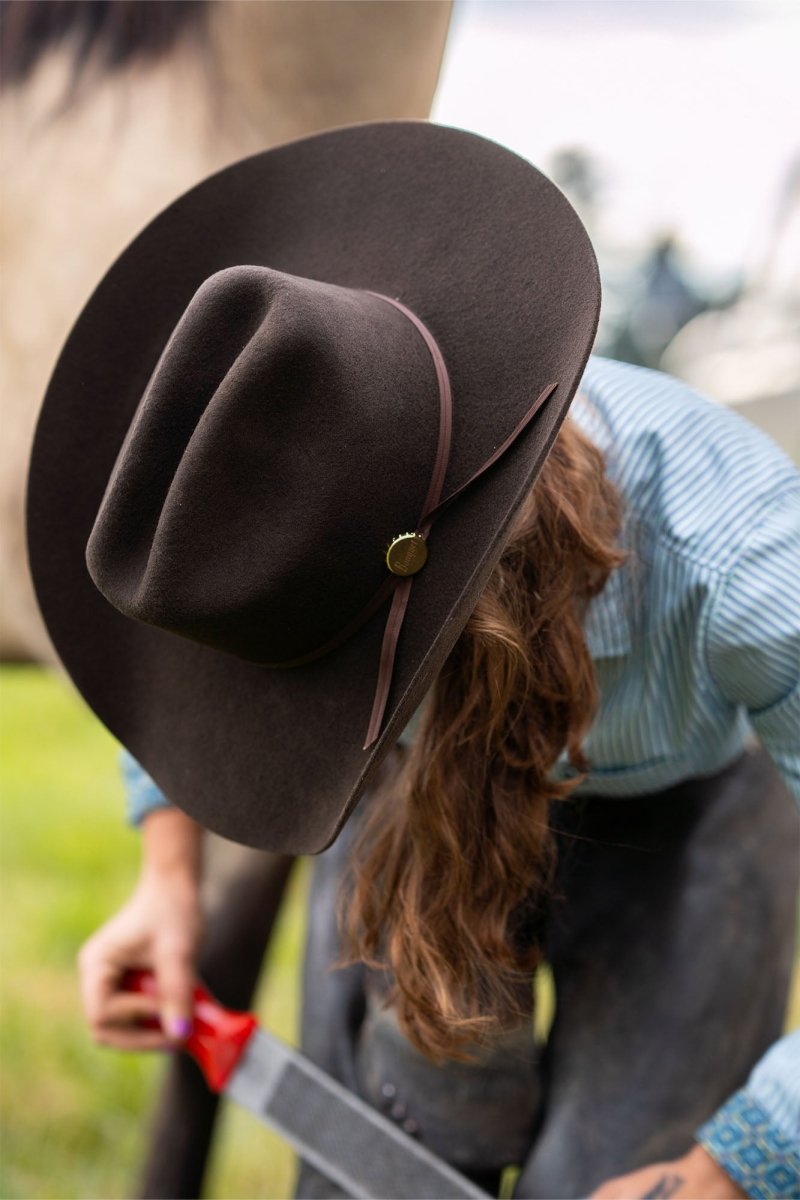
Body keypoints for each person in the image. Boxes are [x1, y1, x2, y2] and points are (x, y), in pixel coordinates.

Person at [28, 123, 798, 1199]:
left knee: (626, 1164)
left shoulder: (746, 558)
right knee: (381, 1168)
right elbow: (185, 676)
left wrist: (737, 1163)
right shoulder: (276, 525)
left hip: (691, 802)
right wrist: (167, 880)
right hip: (415, 781)